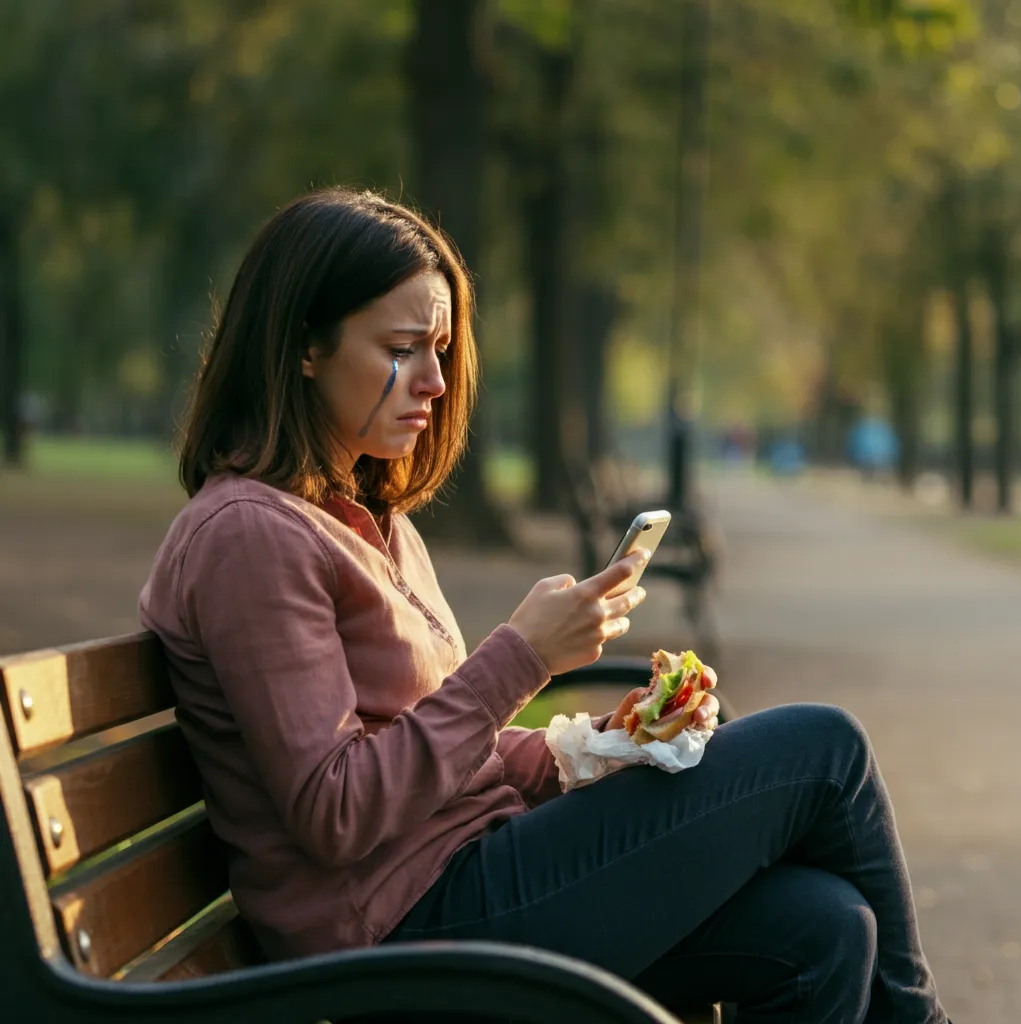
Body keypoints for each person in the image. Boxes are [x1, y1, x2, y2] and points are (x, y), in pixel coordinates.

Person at [140, 188, 950, 1024]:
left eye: (444, 348)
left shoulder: (370, 519)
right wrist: (521, 658)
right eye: (403, 347)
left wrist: (599, 748)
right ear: (305, 345)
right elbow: (336, 811)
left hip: (469, 878)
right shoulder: (249, 535)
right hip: (399, 935)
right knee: (825, 750)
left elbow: (441, 749)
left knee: (826, 928)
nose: (437, 380)